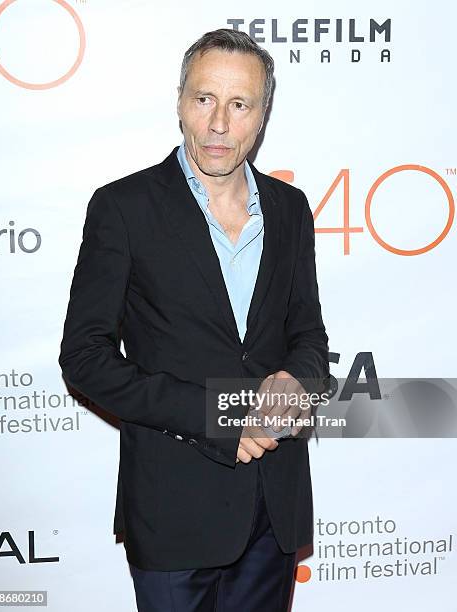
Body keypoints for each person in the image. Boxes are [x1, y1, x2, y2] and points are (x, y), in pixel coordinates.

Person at [58, 27, 329, 612]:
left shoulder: (290, 209)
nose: (219, 124)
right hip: (173, 507)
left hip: (274, 505)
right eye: (205, 99)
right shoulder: (123, 208)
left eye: (240, 104)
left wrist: (296, 382)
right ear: (181, 102)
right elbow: (85, 359)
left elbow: (308, 333)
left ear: (262, 116)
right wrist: (217, 417)